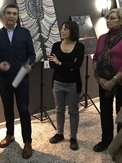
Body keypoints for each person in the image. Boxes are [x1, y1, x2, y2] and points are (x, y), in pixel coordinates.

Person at [0, 3, 36, 159]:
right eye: (8, 13)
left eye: (14, 13)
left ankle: (28, 142)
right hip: (4, 79)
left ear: (17, 16)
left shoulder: (25, 33)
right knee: (7, 108)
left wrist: (28, 64)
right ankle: (10, 135)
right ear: (3, 15)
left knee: (23, 109)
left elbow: (32, 54)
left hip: (21, 77)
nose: (11, 16)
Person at [48, 21, 85, 151]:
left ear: (72, 31)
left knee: (73, 111)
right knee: (59, 109)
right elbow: (52, 64)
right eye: (61, 29)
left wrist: (60, 63)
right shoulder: (56, 45)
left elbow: (77, 65)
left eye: (66, 29)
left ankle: (73, 137)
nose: (62, 31)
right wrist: (67, 65)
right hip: (57, 82)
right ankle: (60, 133)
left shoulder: (80, 46)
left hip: (73, 84)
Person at [92, 8, 122, 152]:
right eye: (107, 18)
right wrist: (99, 78)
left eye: (113, 18)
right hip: (103, 81)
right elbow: (96, 58)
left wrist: (114, 80)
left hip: (120, 82)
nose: (108, 21)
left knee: (120, 114)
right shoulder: (102, 38)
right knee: (105, 111)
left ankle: (119, 144)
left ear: (121, 20)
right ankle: (106, 140)